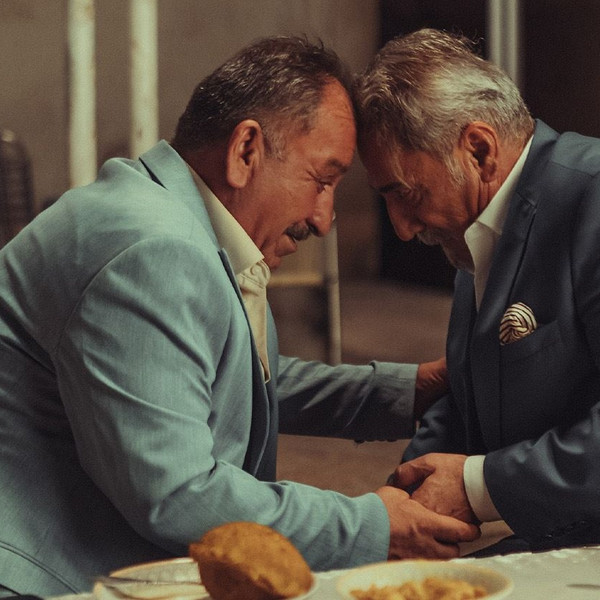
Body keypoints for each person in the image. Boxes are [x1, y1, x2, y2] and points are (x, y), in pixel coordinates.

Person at [0, 36, 478, 596]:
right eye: (322, 181)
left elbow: (219, 383)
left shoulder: (173, 219)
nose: (324, 219)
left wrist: (403, 391)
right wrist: (371, 527)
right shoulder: (154, 251)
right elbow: (177, 494)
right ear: (245, 150)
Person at [352, 26, 600, 555]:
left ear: (479, 150)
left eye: (404, 193)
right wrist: (403, 501)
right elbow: (469, 399)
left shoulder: (594, 200)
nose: (401, 228)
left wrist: (476, 487)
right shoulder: (475, 220)